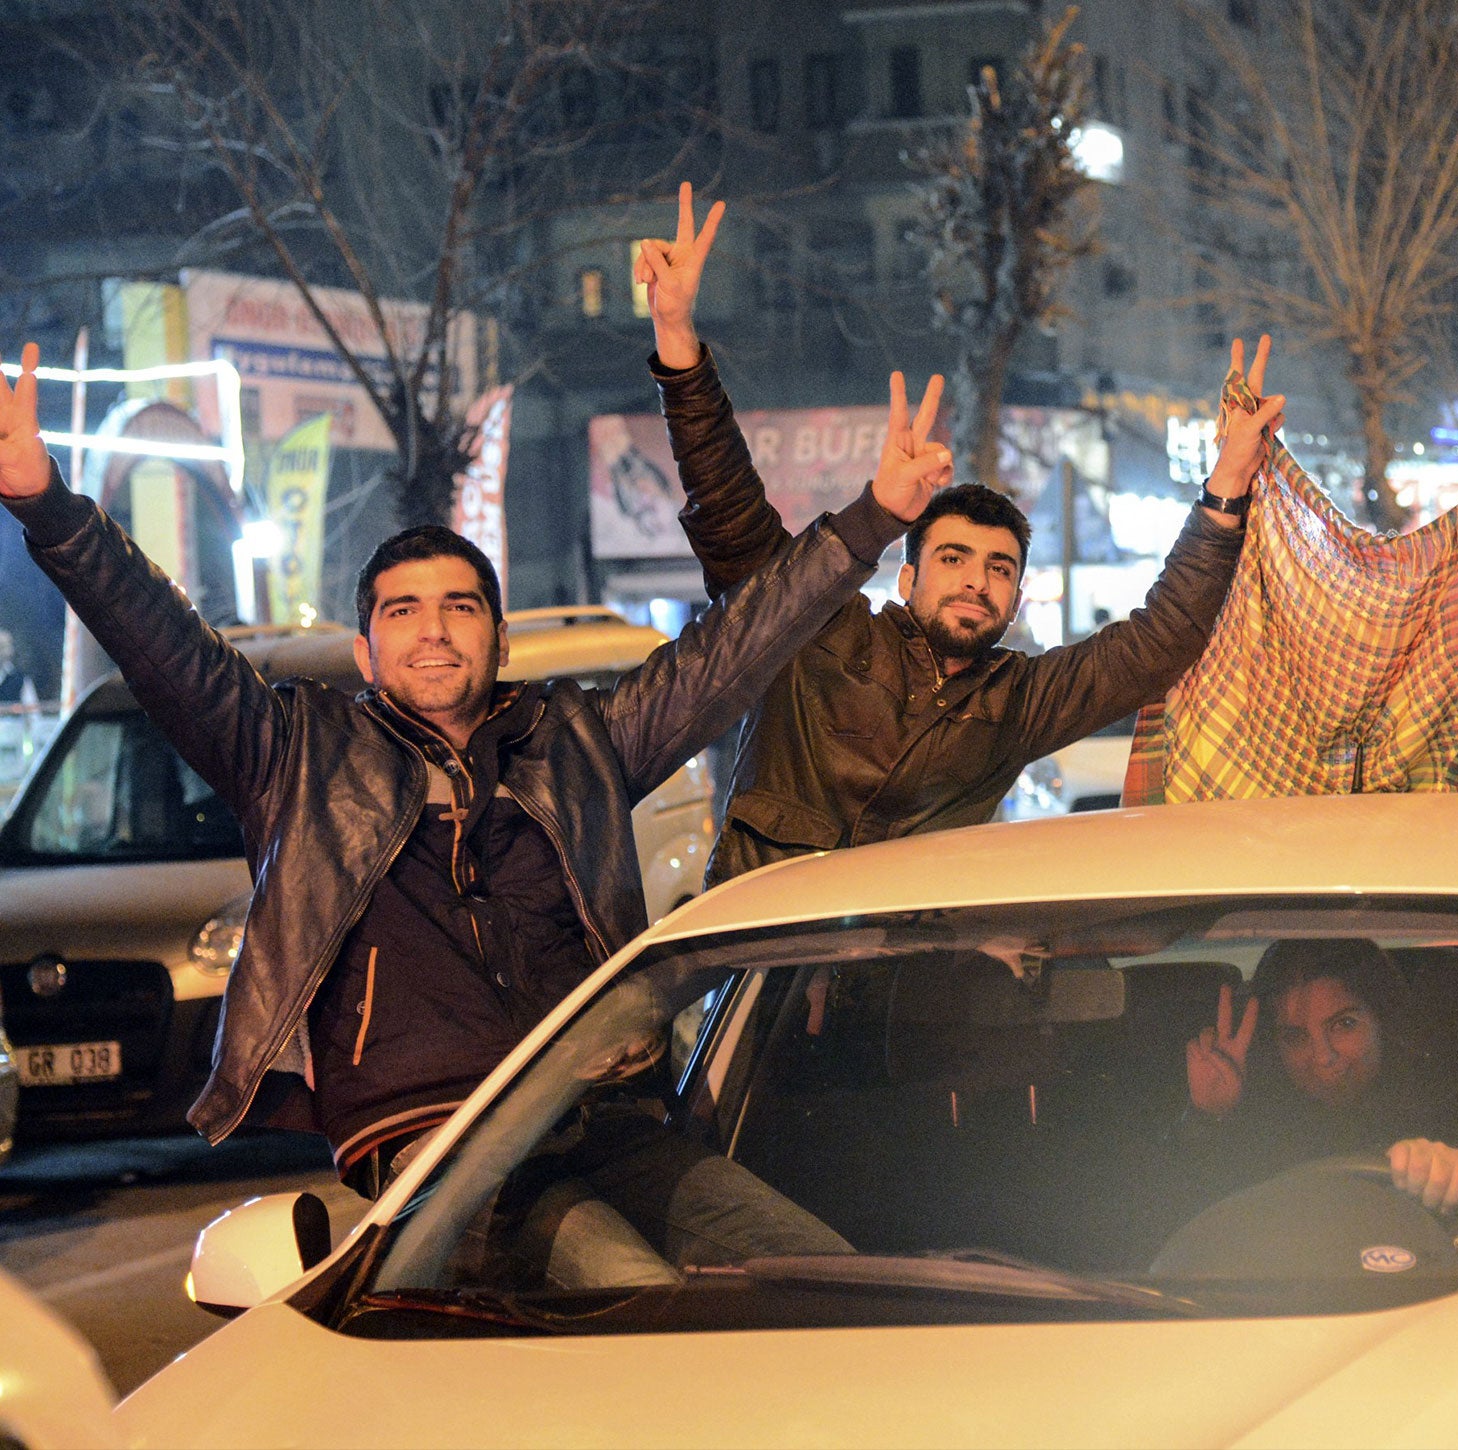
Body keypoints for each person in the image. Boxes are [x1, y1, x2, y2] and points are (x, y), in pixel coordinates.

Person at [0, 341, 952, 1196]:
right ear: (365, 652)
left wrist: (872, 521)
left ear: (499, 641)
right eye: (402, 611)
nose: (433, 629)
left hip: (602, 1106)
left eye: (459, 607)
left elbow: (731, 649)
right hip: (432, 1133)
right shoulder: (293, 753)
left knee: (775, 1263)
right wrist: (47, 503)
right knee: (615, 1286)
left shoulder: (577, 741)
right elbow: (160, 639)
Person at [635, 185, 1273, 887]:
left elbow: (1162, 640)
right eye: (952, 557)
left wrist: (1228, 484)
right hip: (774, 972)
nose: (977, 579)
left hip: (911, 981)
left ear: (1018, 597)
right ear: (906, 580)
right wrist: (677, 342)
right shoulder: (816, 635)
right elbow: (727, 510)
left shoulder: (1020, 703)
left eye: (999, 568)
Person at [1179, 939, 1458, 1213]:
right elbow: (1181, 1217)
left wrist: (1444, 1170)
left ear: (1382, 1019)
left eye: (1344, 1024)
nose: (1324, 1056)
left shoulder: (1446, 1103)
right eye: (1296, 1036)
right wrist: (1208, 1116)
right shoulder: (1258, 1127)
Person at [0, 627, 35, 704]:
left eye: (7, 646)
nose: (7, 651)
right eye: (2, 647)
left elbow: (32, 712)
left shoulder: (21, 679)